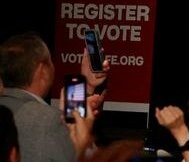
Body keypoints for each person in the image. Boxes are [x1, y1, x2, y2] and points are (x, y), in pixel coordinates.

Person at [0, 32, 109, 162]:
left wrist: (88, 84)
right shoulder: (51, 120)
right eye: (51, 61)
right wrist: (81, 135)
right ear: (43, 71)